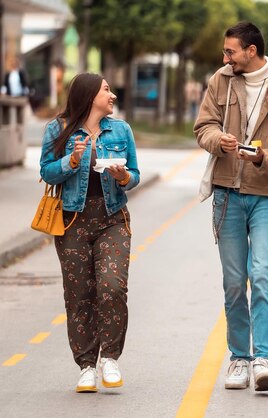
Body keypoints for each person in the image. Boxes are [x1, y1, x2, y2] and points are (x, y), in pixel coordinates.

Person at [194, 21, 268, 392]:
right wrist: (218, 140)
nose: (224, 57)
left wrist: (266, 157)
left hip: (265, 194)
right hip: (226, 193)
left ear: (251, 50)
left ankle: (264, 358)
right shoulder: (221, 81)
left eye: (230, 51)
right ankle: (239, 359)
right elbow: (203, 127)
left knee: (261, 273)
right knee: (233, 281)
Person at [39, 73, 140, 393]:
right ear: (89, 95)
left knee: (112, 287)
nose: (112, 96)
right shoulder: (57, 129)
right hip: (71, 223)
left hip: (112, 219)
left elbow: (135, 174)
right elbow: (46, 171)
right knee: (79, 295)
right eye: (106, 90)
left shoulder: (120, 129)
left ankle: (109, 358)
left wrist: (123, 176)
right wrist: (71, 160)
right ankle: (86, 365)